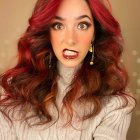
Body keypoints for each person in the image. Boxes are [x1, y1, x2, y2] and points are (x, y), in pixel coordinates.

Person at [0, 0, 135, 140]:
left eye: (82, 25)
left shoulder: (116, 102)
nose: (70, 40)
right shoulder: (13, 91)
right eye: (58, 25)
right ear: (47, 32)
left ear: (95, 33)